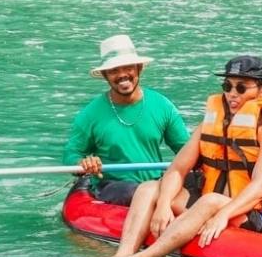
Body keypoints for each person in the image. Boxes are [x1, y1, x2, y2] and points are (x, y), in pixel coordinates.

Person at [101, 55, 262, 257]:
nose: (232, 94)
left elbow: (260, 186)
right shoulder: (214, 121)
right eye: (227, 86)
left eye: (241, 88)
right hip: (214, 201)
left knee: (211, 201)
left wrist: (223, 214)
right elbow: (178, 168)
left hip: (257, 216)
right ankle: (123, 253)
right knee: (149, 188)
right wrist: (163, 205)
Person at [66, 34, 192, 238]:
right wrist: (83, 162)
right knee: (140, 191)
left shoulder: (162, 105)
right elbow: (71, 153)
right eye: (114, 70)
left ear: (139, 69)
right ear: (106, 75)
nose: (122, 75)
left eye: (128, 68)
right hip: (114, 186)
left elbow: (186, 149)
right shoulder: (90, 114)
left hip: (157, 182)